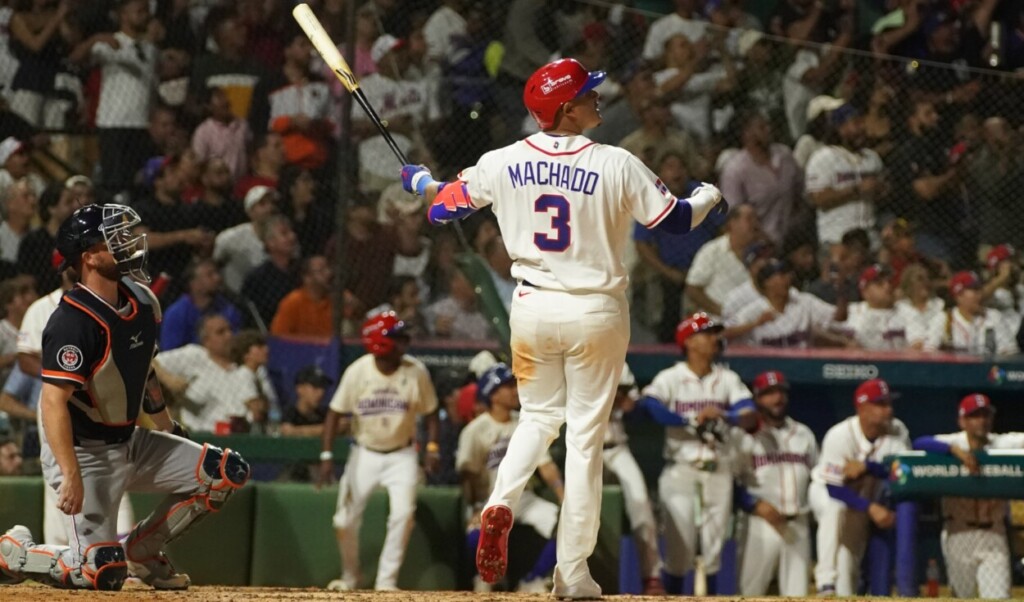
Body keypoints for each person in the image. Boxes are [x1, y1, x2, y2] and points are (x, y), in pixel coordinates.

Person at [399, 57, 725, 598]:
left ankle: (500, 501)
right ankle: (572, 573)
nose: (597, 97)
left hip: (531, 307)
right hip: (595, 312)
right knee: (585, 442)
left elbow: (442, 210)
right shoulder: (615, 161)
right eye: (587, 94)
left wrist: (422, 182)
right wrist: (709, 196)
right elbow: (675, 219)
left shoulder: (502, 160)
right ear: (566, 109)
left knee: (537, 419)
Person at [0, 204, 249, 591]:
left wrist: (166, 426)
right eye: (114, 239)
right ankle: (16, 552)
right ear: (89, 257)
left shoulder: (143, 300)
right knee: (100, 571)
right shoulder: (71, 322)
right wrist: (70, 473)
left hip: (130, 440)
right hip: (84, 452)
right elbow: (52, 403)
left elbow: (144, 370)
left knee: (223, 472)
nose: (128, 244)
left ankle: (144, 549)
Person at [318, 311, 439, 591]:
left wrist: (432, 448)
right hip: (365, 453)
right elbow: (334, 413)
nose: (404, 342)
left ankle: (386, 582)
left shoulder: (416, 371)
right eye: (397, 337)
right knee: (344, 520)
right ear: (381, 343)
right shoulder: (358, 371)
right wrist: (326, 455)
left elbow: (431, 412)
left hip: (402, 454)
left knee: (403, 516)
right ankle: (351, 576)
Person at [639, 312, 756, 594]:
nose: (715, 338)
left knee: (714, 550)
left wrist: (726, 415)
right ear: (689, 341)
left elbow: (750, 414)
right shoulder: (671, 377)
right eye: (707, 333)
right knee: (679, 549)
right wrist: (690, 420)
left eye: (715, 333)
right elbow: (649, 406)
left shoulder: (727, 378)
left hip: (718, 468)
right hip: (682, 469)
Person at [458, 363, 563, 593]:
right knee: (475, 534)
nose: (515, 391)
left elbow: (546, 466)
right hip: (488, 500)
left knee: (566, 524)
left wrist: (562, 495)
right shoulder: (475, 430)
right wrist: (475, 506)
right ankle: (484, 579)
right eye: (508, 386)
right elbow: (468, 476)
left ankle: (533, 579)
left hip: (524, 499)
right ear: (492, 394)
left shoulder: (525, 424)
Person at [912, 394, 1020, 599]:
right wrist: (955, 452)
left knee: (999, 597)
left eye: (985, 415)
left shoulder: (1001, 443)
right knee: (962, 597)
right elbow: (919, 442)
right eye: (974, 416)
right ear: (962, 421)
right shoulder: (954, 442)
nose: (981, 421)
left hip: (994, 534)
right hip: (958, 531)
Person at [809, 377, 910, 596]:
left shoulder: (898, 431)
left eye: (889, 403)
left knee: (847, 563)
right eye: (880, 404)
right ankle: (825, 581)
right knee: (834, 507)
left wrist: (867, 467)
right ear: (862, 408)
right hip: (825, 490)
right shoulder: (840, 435)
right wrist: (871, 508)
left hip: (861, 501)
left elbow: (903, 472)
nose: (888, 409)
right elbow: (834, 489)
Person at [735, 370, 818, 596]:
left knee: (798, 595)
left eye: (781, 392)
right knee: (749, 593)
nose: (777, 398)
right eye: (769, 393)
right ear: (757, 399)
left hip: (797, 523)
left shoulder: (803, 434)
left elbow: (816, 477)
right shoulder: (744, 436)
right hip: (760, 522)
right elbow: (730, 482)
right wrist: (754, 504)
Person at [602, 363, 663, 595]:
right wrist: (612, 396)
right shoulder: (576, 355)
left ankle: (652, 576)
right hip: (585, 448)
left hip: (617, 447)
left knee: (641, 504)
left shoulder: (620, 363)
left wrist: (623, 401)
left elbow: (632, 408)